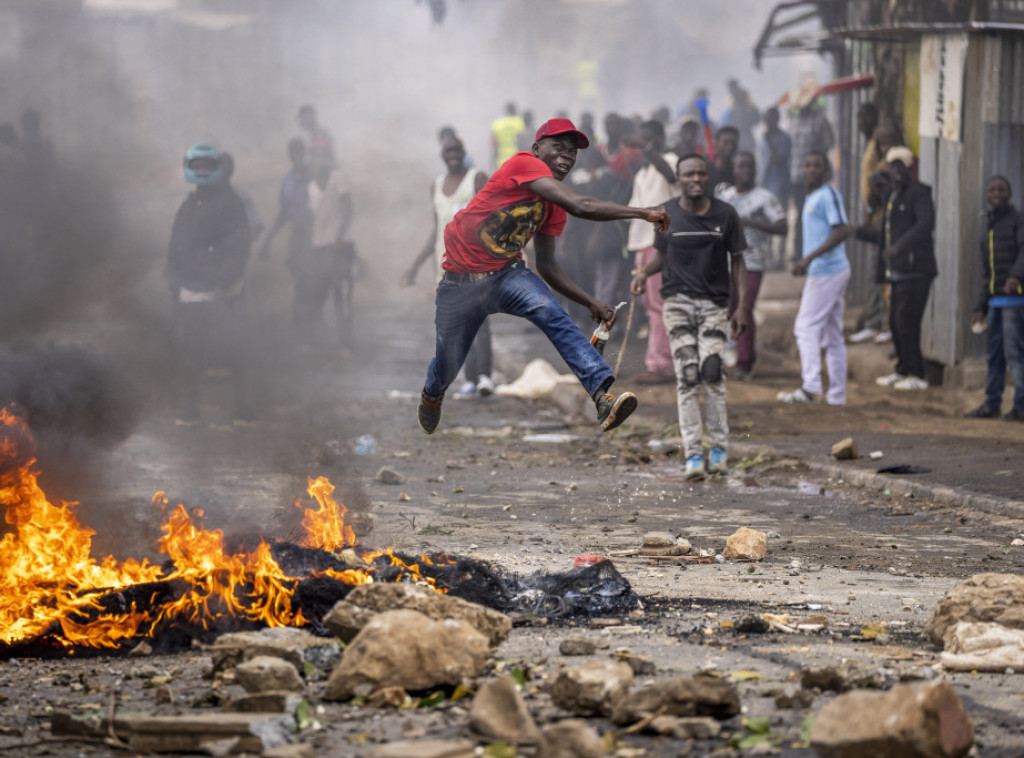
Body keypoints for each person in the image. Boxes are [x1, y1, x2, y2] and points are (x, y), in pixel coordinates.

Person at [418, 118, 669, 435]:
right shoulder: (522, 164)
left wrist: (590, 303)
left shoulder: (553, 204)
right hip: (459, 283)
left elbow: (548, 266)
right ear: (537, 149)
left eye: (572, 152)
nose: (567, 156)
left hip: (506, 276)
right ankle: (432, 394)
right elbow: (582, 204)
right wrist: (642, 212)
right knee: (447, 364)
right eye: (559, 148)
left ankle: (602, 397)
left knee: (554, 314)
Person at [630, 154, 748, 480]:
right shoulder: (666, 214)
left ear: (708, 177)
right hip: (677, 303)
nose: (695, 178)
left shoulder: (726, 214)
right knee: (688, 375)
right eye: (688, 174)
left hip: (714, 305)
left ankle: (720, 450)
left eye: (700, 173)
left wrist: (741, 308)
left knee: (712, 372)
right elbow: (662, 256)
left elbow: (738, 261)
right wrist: (642, 274)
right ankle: (694, 454)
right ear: (679, 179)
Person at [167, 142, 252, 424]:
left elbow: (239, 246)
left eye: (206, 166)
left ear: (216, 169)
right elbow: (175, 248)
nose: (201, 171)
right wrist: (175, 284)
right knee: (193, 352)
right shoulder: (189, 205)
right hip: (192, 290)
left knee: (234, 348)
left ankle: (243, 409)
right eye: (197, 166)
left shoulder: (230, 203)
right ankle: (190, 408)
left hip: (224, 291)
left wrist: (223, 281)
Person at [404, 136, 493, 397]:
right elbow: (437, 229)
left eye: (456, 150)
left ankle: (486, 376)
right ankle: (470, 378)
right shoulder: (436, 186)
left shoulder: (477, 179)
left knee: (480, 321)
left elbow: (494, 218)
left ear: (464, 152)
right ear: (442, 155)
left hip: (476, 261)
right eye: (448, 151)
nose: (452, 154)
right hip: (446, 267)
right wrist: (415, 266)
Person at [853, 146, 936, 391]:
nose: (896, 169)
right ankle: (903, 369)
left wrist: (900, 247)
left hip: (916, 269)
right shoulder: (892, 196)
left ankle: (917, 374)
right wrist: (858, 230)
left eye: (901, 165)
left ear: (910, 167)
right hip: (897, 270)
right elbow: (883, 231)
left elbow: (924, 225)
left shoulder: (919, 192)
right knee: (896, 321)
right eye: (893, 165)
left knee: (907, 320)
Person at [777, 151, 851, 405]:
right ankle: (837, 395)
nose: (811, 170)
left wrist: (809, 259)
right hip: (823, 271)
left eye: (816, 166)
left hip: (827, 270)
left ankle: (810, 387)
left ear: (826, 170)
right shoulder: (813, 196)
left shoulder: (828, 195)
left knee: (805, 327)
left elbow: (841, 230)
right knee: (832, 334)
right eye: (807, 165)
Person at [718, 151, 787, 379]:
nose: (745, 171)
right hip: (725, 262)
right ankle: (726, 353)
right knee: (725, 307)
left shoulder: (765, 198)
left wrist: (753, 223)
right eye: (741, 167)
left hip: (752, 262)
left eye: (749, 167)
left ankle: (745, 362)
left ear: (755, 170)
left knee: (744, 308)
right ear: (734, 169)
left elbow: (782, 226)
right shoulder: (725, 197)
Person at [625, 120, 679, 385]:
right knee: (649, 305)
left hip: (658, 242)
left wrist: (647, 149)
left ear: (658, 138)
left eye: (648, 140)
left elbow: (671, 175)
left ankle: (661, 365)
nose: (643, 147)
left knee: (658, 304)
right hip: (641, 243)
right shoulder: (643, 172)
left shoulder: (668, 160)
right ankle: (660, 359)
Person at [966, 176, 1024, 421]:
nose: (997, 193)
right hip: (994, 304)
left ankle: (1021, 407)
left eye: (1002, 189)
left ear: (1009, 194)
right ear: (987, 195)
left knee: (1015, 354)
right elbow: (987, 274)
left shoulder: (1017, 220)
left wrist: (1015, 276)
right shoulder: (988, 228)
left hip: (1015, 302)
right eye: (992, 189)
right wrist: (980, 305)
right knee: (994, 355)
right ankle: (991, 404)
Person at [849, 120, 900, 344]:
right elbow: (873, 197)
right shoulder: (878, 166)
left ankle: (884, 325)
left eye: (889, 142)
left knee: (887, 278)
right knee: (875, 276)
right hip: (880, 224)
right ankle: (874, 323)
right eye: (882, 143)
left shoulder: (897, 164)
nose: (885, 147)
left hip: (894, 228)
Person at [260, 138, 314, 340]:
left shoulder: (314, 177)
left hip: (316, 235)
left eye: (300, 152)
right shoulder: (288, 180)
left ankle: (305, 323)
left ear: (305, 153)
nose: (297, 156)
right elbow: (284, 212)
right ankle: (305, 324)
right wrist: (269, 239)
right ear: (289, 155)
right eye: (293, 152)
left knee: (310, 280)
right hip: (298, 234)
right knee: (301, 278)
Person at [304, 146, 355, 354]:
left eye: (323, 156)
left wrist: (339, 237)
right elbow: (313, 219)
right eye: (315, 157)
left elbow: (349, 210)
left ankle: (345, 343)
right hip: (319, 247)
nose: (319, 161)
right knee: (317, 293)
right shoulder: (310, 186)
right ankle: (320, 340)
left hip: (340, 246)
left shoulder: (337, 178)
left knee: (340, 295)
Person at [220, 153, 265, 243]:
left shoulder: (241, 196)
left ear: (231, 170)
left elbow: (257, 226)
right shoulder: (204, 197)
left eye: (226, 168)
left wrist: (242, 248)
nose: (223, 171)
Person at [720, 79, 760, 153]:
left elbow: (756, 119)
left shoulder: (744, 98)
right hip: (738, 136)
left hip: (745, 136)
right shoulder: (732, 104)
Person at [491, 102, 525, 169]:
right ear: (515, 111)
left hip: (501, 161)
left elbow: (494, 143)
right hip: (517, 160)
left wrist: (493, 160)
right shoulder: (520, 123)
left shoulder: (497, 124)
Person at [707, 126, 739, 195]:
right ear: (717, 144)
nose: (730, 147)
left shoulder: (738, 173)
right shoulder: (705, 170)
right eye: (725, 143)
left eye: (733, 143)